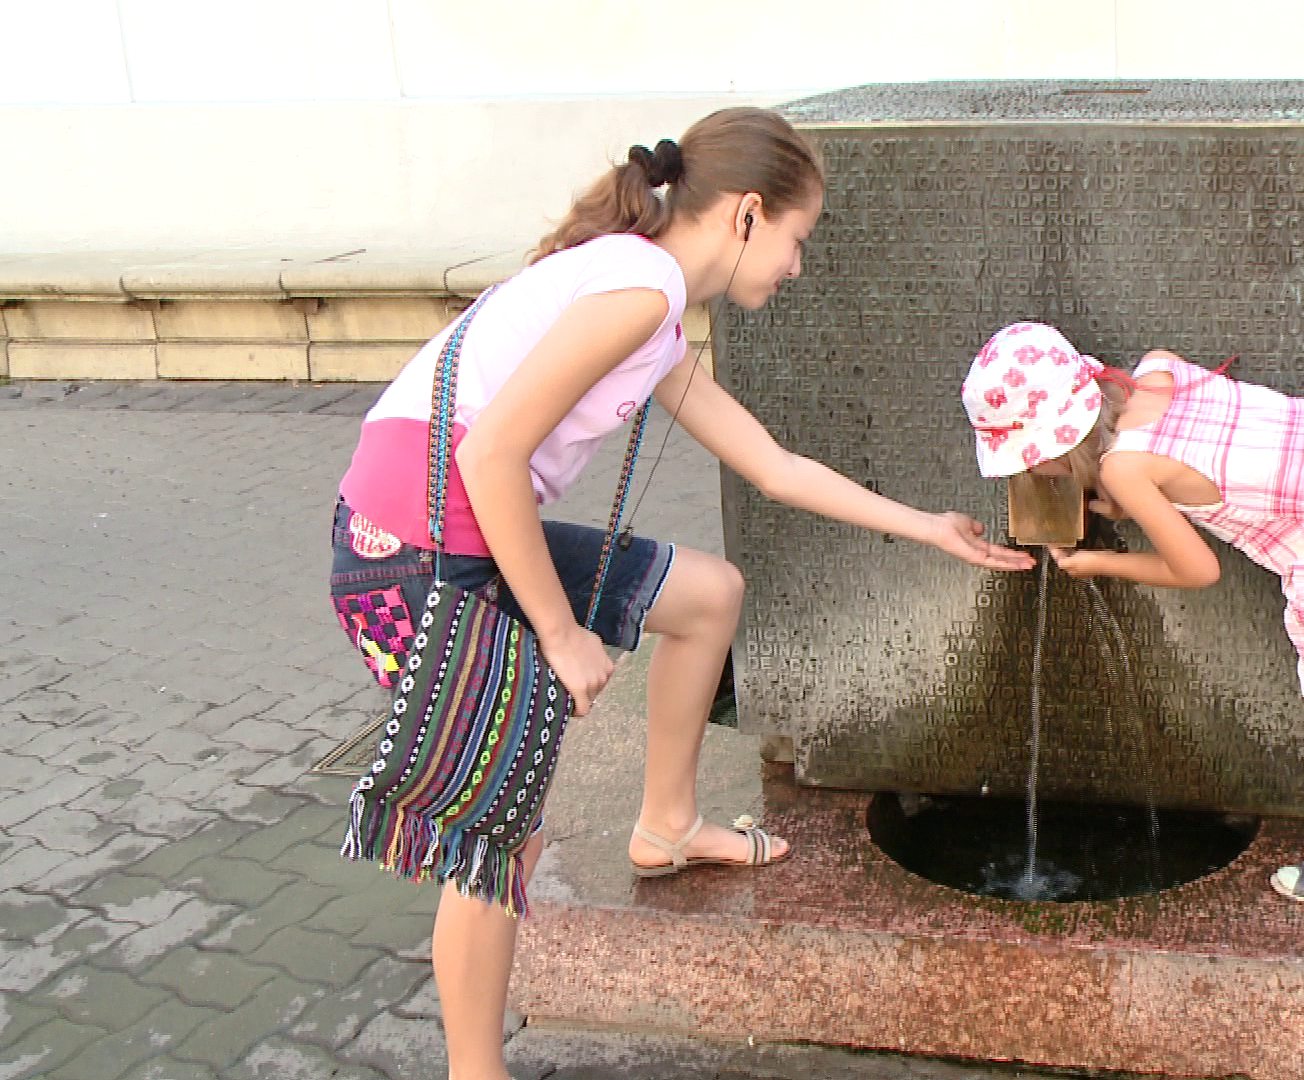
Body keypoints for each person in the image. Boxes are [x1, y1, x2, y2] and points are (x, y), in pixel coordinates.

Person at [327, 107, 1032, 1080]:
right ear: (747, 214)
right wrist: (563, 632)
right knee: (501, 836)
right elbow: (488, 455)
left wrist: (928, 528)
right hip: (406, 551)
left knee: (708, 594)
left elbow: (773, 466)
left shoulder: (649, 308)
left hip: (471, 531)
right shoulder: (638, 291)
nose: (796, 267)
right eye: (797, 240)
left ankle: (663, 827)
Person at [961, 321, 1304, 905]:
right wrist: (1131, 500)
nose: (1027, 475)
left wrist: (1098, 564)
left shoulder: (1124, 468)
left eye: (1029, 462)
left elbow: (1197, 570)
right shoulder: (1156, 368)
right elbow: (1175, 454)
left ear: (1059, 445)